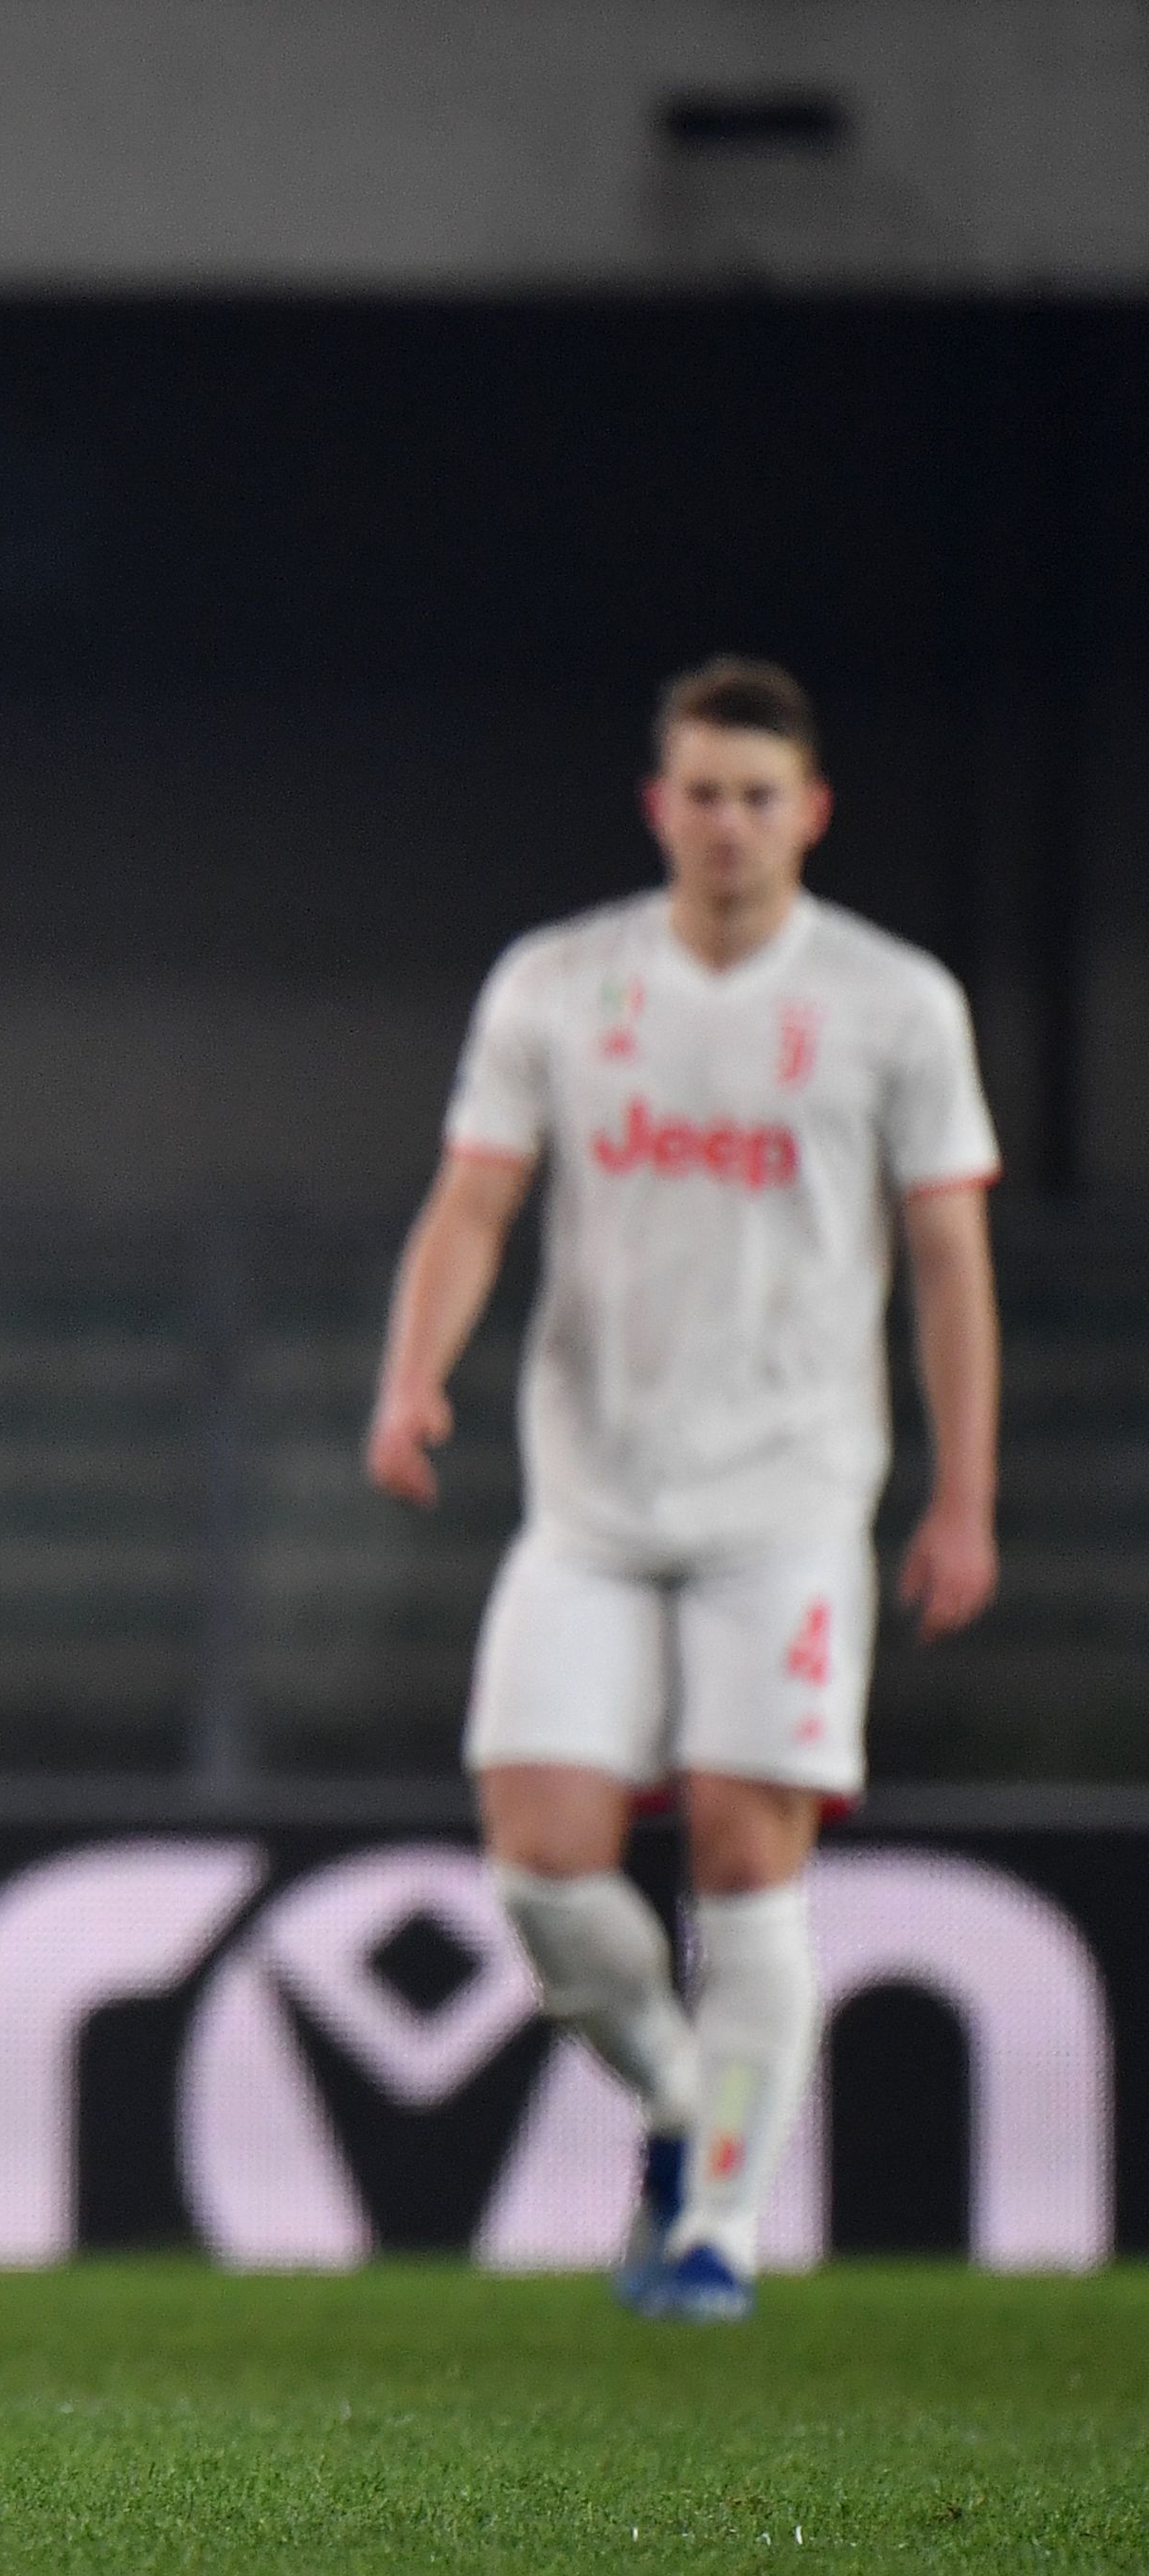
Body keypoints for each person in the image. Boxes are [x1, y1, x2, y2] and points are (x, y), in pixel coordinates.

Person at [368, 657, 1000, 2322]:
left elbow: (949, 1265)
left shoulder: (893, 1005)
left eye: (759, 796)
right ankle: (674, 2096)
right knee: (541, 1859)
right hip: (591, 1499)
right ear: (661, 807)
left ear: (812, 813)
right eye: (703, 794)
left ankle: (717, 2226)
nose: (730, 824)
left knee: (743, 1845)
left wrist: (964, 1497)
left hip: (790, 1497)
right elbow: (475, 1203)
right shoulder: (562, 986)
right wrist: (413, 1370)